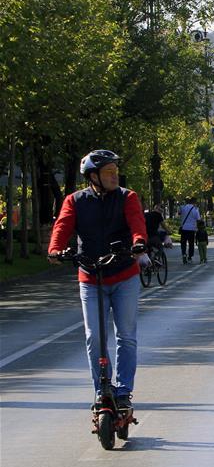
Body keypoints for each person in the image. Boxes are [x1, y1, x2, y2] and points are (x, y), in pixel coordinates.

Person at [47, 150, 148, 412]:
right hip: (91, 277)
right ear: (93, 176)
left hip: (124, 275)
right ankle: (102, 389)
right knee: (94, 337)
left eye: (116, 171)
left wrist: (138, 243)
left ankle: (124, 390)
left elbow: (137, 223)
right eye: (108, 172)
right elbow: (62, 226)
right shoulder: (75, 200)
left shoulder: (128, 197)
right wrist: (55, 249)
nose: (115, 176)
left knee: (125, 336)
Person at [178, 197, 201, 264]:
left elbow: (179, 213)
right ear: (194, 202)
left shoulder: (183, 207)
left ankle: (184, 254)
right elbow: (198, 219)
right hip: (192, 229)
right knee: (191, 243)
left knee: (183, 243)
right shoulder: (195, 209)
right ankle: (190, 256)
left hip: (184, 228)